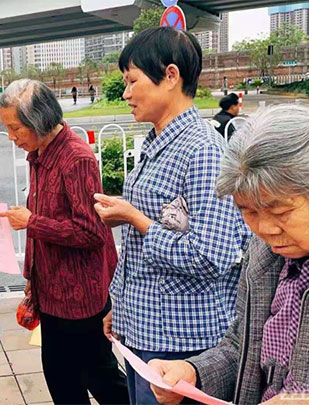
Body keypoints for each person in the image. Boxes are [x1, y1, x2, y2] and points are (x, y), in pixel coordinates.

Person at [93, 27, 250, 405]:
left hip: (183, 344)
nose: (126, 93)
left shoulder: (203, 150)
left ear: (170, 76)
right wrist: (121, 305)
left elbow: (211, 255)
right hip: (146, 332)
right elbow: (144, 241)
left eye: (132, 81)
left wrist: (136, 219)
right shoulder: (158, 144)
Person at [149, 105, 309, 405]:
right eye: (249, 212)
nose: (265, 229)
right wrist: (194, 372)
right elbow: (242, 345)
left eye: (280, 212)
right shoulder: (263, 256)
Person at [0, 79, 129, 405]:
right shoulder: (39, 155)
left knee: (100, 378)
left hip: (80, 298)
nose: (11, 137)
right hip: (51, 292)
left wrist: (32, 222)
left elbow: (92, 232)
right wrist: (32, 276)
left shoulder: (75, 158)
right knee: (61, 379)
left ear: (39, 121)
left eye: (15, 128)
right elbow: (43, 219)